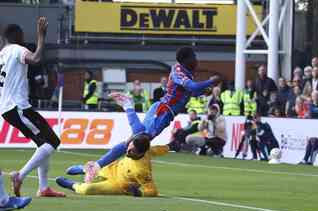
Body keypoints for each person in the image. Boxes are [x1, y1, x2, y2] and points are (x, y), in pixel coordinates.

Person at [68, 47, 221, 182]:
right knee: (139, 137)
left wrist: (202, 90)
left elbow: (191, 90)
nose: (197, 60)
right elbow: (192, 86)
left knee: (134, 141)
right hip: (163, 111)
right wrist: (210, 81)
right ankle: (128, 105)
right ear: (187, 60)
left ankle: (93, 167)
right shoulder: (179, 72)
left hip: (163, 111)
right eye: (194, 57)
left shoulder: (186, 73)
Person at [0, 18, 65, 197]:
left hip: (9, 108)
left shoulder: (2, 55)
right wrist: (41, 36)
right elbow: (35, 58)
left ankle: (43, 188)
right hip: (18, 107)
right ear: (18, 36)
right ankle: (20, 176)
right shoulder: (17, 50)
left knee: (43, 144)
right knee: (53, 142)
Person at [58, 136, 169, 197]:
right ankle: (83, 169)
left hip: (118, 185)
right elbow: (159, 149)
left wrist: (139, 193)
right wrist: (170, 146)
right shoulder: (147, 149)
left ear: (140, 153)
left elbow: (152, 190)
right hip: (114, 168)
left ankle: (71, 185)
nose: (127, 151)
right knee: (97, 167)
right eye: (129, 147)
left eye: (132, 150)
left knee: (87, 189)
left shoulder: (141, 171)